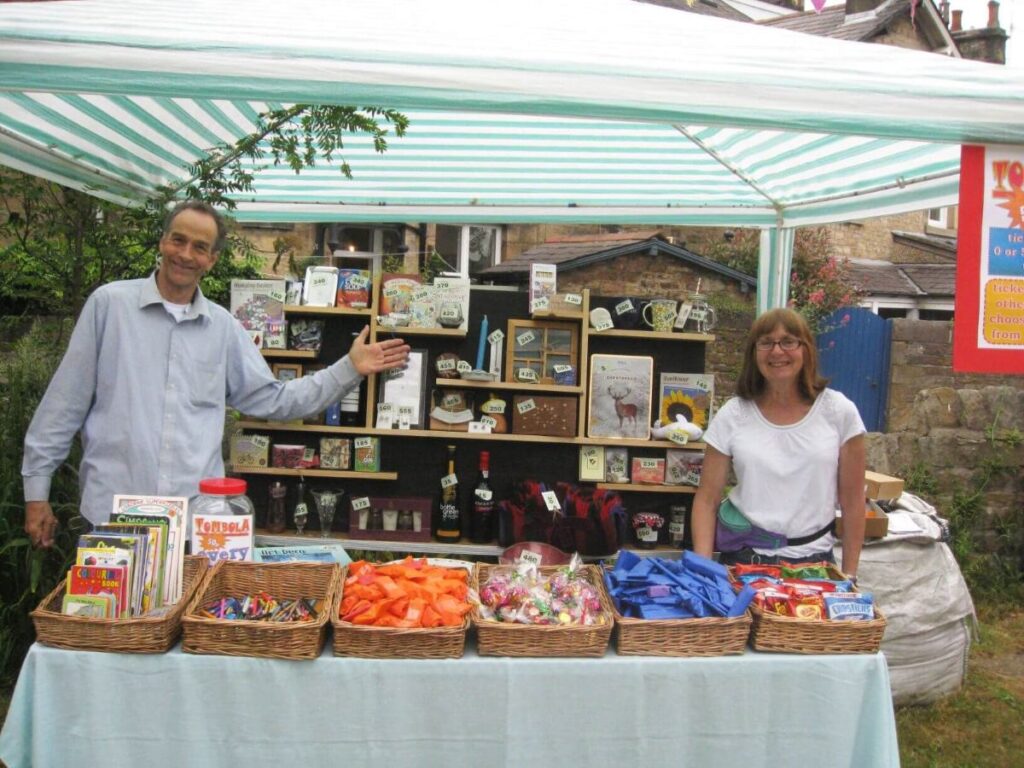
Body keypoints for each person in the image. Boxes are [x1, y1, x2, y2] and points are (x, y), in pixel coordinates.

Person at [22, 200, 410, 547]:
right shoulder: (109, 307)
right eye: (178, 240)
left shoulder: (222, 329)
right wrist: (36, 493)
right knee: (112, 629)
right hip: (113, 520)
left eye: (200, 247)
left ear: (212, 259)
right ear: (162, 242)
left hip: (194, 527)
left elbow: (275, 399)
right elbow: (63, 405)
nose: (185, 254)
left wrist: (349, 368)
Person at [691, 307, 866, 578]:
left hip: (816, 567)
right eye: (766, 343)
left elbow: (854, 502)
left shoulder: (839, 412)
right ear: (754, 353)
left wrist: (850, 576)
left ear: (806, 349)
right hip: (743, 564)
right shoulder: (733, 414)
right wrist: (702, 571)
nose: (777, 352)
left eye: (788, 341)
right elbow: (707, 499)